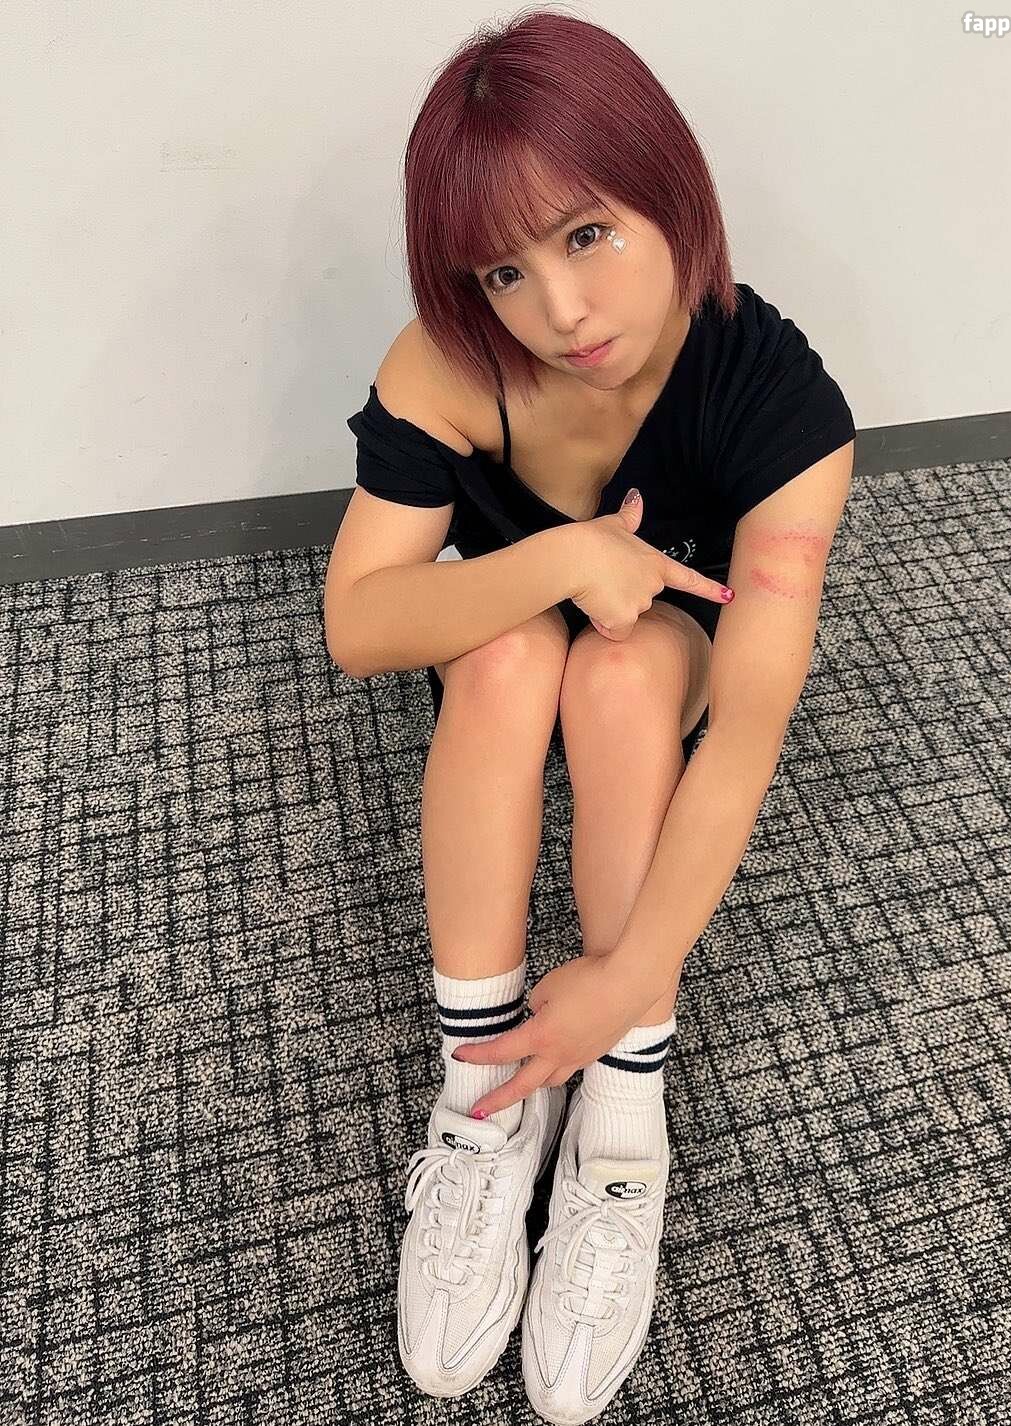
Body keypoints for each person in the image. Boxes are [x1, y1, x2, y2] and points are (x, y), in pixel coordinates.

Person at [324, 8, 856, 1421]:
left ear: (671, 192)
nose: (559, 309)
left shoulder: (780, 401)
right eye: (505, 270)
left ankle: (622, 1112)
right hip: (509, 618)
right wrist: (562, 558)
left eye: (587, 235)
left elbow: (745, 736)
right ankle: (481, 1091)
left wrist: (630, 979)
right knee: (509, 657)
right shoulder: (449, 362)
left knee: (617, 679)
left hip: (660, 652)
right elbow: (359, 623)